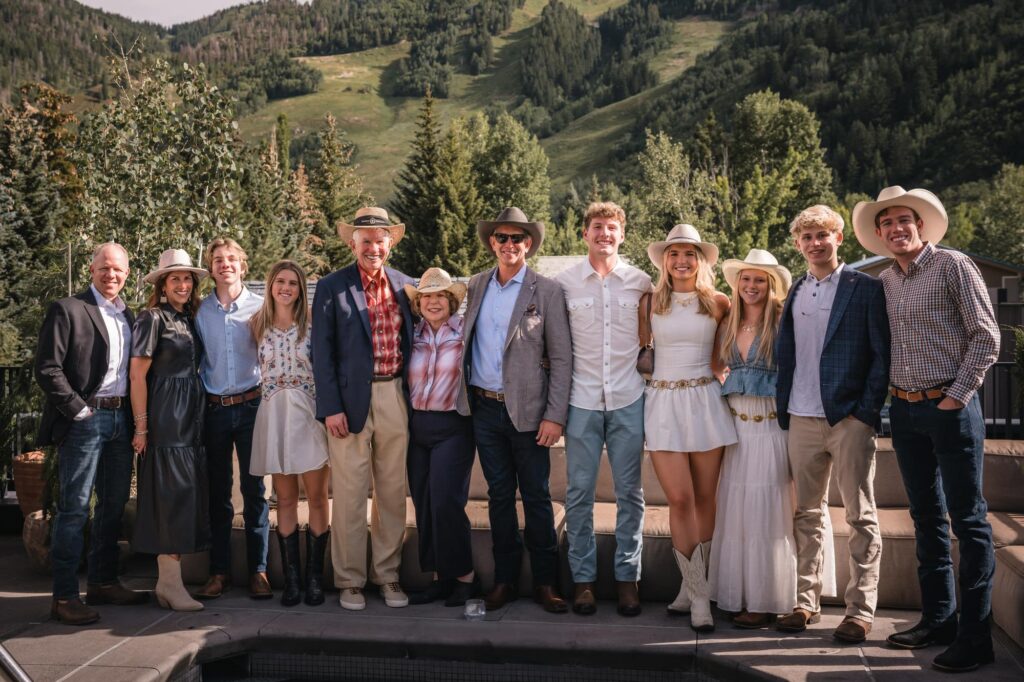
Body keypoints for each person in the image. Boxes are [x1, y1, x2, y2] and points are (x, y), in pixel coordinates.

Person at [854, 186, 1000, 672]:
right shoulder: (887, 281)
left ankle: (977, 637)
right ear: (879, 234)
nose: (896, 229)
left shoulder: (954, 265)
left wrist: (956, 396)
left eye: (904, 221)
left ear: (921, 225)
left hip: (950, 407)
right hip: (906, 410)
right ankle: (939, 617)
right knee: (926, 518)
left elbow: (986, 335)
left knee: (969, 522)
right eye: (887, 223)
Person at [775, 205, 889, 643]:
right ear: (798, 244)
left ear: (839, 238)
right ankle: (806, 603)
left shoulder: (865, 288)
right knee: (807, 514)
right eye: (806, 237)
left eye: (822, 235)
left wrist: (865, 413)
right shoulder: (797, 289)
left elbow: (882, 355)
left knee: (861, 515)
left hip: (848, 420)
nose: (814, 243)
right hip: (800, 417)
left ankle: (860, 610)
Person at [455, 207, 572, 614]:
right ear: (492, 243)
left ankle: (545, 583)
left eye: (517, 239)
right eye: (501, 238)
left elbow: (561, 359)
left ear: (529, 245)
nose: (509, 245)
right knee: (500, 497)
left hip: (530, 414)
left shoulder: (548, 291)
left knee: (537, 497)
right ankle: (504, 580)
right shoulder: (475, 286)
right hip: (485, 410)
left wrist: (555, 415)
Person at [35, 242, 148, 625]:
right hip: (86, 421)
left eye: (118, 269)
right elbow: (48, 368)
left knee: (113, 506)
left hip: (121, 422)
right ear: (92, 268)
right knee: (75, 510)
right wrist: (79, 410)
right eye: (105, 268)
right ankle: (64, 596)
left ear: (127, 274)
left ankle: (102, 581)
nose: (111, 275)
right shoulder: (68, 309)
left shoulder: (129, 316)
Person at [312, 206, 415, 611]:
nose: (373, 247)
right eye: (366, 240)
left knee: (391, 493)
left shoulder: (407, 285)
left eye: (380, 240)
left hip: (394, 396)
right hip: (349, 402)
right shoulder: (332, 286)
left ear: (390, 243)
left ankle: (387, 576)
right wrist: (331, 407)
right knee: (351, 494)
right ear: (353, 243)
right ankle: (350, 580)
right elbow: (322, 353)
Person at [555, 202, 650, 617]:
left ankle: (628, 580)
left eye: (612, 228)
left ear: (622, 235)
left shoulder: (641, 282)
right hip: (581, 402)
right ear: (584, 234)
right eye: (597, 227)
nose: (604, 235)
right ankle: (584, 582)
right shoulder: (563, 284)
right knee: (578, 495)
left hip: (630, 399)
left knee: (631, 494)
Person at [643, 223, 735, 632]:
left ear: (700, 260)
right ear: (665, 260)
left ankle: (694, 588)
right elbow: (638, 354)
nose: (681, 260)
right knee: (678, 500)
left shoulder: (719, 303)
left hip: (705, 400)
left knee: (704, 498)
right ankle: (699, 593)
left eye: (689, 253)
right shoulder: (648, 303)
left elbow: (725, 359)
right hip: (662, 402)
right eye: (674, 253)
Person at [709, 249, 794, 628]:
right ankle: (738, 592)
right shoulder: (729, 320)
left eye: (760, 279)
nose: (751, 286)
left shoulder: (783, 318)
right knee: (737, 511)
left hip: (771, 426)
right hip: (736, 428)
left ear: (772, 284)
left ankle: (766, 599)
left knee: (766, 512)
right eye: (746, 279)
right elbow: (715, 363)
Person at [130, 249, 211, 612]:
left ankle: (168, 582)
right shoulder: (152, 318)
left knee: (183, 495)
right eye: (175, 278)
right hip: (165, 419)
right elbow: (137, 376)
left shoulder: (190, 319)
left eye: (187, 278)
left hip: (191, 420)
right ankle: (170, 582)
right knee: (170, 496)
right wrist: (142, 427)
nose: (182, 283)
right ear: (162, 284)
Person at [248, 260, 330, 607]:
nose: (286, 288)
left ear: (301, 289)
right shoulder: (256, 325)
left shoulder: (313, 324)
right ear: (269, 285)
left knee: (315, 498)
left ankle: (314, 578)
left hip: (308, 415)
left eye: (293, 283)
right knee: (282, 499)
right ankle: (291, 580)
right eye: (280, 281)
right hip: (274, 416)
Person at [193, 238, 270, 601]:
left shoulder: (261, 307)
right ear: (210, 269)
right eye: (218, 260)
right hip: (215, 410)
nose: (225, 264)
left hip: (253, 406)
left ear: (243, 266)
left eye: (231, 259)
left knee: (255, 491)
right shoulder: (199, 311)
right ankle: (219, 572)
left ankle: (259, 571)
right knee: (218, 494)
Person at [403, 268, 479, 607]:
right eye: (427, 297)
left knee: (447, 501)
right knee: (424, 502)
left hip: (454, 425)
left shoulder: (465, 332)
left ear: (451, 301)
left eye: (440, 296)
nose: (433, 302)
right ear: (418, 303)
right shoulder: (412, 335)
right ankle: (438, 578)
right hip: (417, 426)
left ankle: (464, 577)